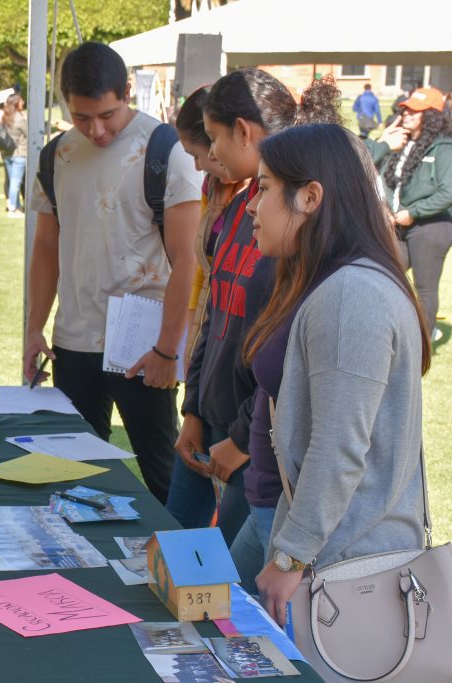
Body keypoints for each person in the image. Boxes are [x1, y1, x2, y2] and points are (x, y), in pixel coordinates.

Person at [250, 124, 429, 628]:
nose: (250, 206)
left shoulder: (351, 296)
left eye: (263, 189)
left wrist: (291, 557)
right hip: (340, 559)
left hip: (347, 571)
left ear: (310, 197)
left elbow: (338, 445)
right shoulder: (346, 284)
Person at [24, 42, 201, 504]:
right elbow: (46, 248)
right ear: (65, 101)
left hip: (142, 345)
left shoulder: (166, 149)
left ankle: (186, 569)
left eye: (106, 114)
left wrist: (167, 349)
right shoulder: (55, 155)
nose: (96, 130)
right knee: (73, 478)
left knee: (164, 476)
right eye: (82, 117)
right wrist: (33, 328)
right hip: (73, 339)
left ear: (127, 91)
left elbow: (188, 260)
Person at [173, 71, 342, 555]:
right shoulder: (236, 207)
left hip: (252, 443)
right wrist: (193, 409)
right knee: (175, 554)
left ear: (243, 132)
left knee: (222, 581)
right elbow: (212, 315)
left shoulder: (289, 226)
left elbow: (283, 356)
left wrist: (245, 437)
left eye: (213, 139)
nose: (211, 155)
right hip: (213, 420)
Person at [366, 87, 452, 343]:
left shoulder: (444, 148)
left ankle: (421, 346)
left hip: (431, 225)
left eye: (416, 110)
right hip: (398, 223)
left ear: (433, 116)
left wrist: (413, 212)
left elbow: (448, 191)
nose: (407, 113)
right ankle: (386, 332)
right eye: (407, 108)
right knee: (382, 272)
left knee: (424, 286)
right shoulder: (400, 142)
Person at [173, 86, 245, 371]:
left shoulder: (260, 194)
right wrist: (193, 337)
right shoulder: (212, 187)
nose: (197, 165)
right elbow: (202, 270)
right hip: (211, 336)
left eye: (198, 154)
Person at [0, 93, 28, 218]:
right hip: (20, 154)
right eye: (21, 101)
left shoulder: (6, 117)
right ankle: (13, 208)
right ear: (17, 103)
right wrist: (26, 119)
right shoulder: (19, 119)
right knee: (16, 182)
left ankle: (16, 206)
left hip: (7, 153)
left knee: (12, 181)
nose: (23, 103)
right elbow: (29, 132)